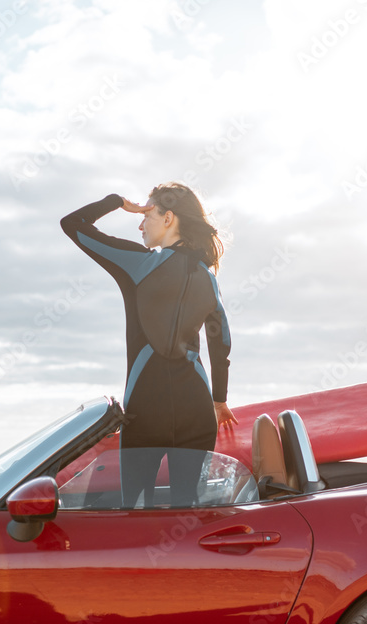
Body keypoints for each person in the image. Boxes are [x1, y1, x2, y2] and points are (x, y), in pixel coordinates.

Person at [60, 182, 237, 507]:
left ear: (168, 218)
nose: (140, 223)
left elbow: (72, 225)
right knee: (188, 509)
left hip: (146, 412)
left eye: (147, 213)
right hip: (197, 411)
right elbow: (221, 340)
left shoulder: (139, 263)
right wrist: (219, 400)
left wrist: (116, 202)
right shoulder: (208, 277)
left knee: (134, 512)